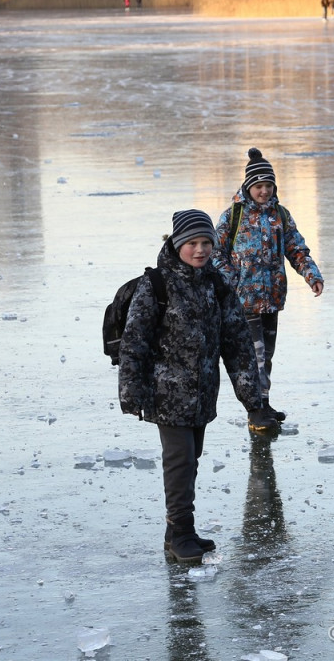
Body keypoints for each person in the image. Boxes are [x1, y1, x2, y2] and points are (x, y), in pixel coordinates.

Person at [118, 209, 262, 563]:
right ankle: (181, 532)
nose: (200, 250)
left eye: (206, 243)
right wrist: (132, 392)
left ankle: (177, 532)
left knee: (190, 459)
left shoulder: (216, 285)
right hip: (165, 394)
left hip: (202, 393)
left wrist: (253, 400)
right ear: (177, 244)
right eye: (192, 243)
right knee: (180, 460)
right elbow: (133, 341)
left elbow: (237, 344)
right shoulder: (156, 286)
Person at [213, 148, 324, 432]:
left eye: (268, 186)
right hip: (243, 301)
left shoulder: (280, 216)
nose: (263, 191)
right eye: (258, 186)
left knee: (267, 355)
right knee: (254, 356)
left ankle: (263, 401)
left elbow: (296, 249)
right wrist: (231, 281)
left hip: (272, 299)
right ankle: (255, 410)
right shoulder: (233, 216)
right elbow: (215, 253)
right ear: (248, 187)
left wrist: (311, 275)